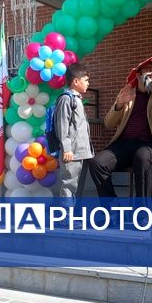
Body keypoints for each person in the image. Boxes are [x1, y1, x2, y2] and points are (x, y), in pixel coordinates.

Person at [89, 56, 152, 198]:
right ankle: (112, 210)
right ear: (138, 75)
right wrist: (119, 104)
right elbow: (108, 124)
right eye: (148, 71)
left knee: (142, 158)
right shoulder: (127, 94)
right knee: (97, 163)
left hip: (148, 145)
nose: (151, 75)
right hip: (123, 144)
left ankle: (143, 214)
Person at [55, 63, 95, 206]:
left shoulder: (77, 99)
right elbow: (62, 125)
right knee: (69, 185)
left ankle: (72, 213)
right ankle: (65, 217)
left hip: (81, 151)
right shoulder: (66, 99)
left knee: (75, 186)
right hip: (71, 152)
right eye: (86, 80)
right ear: (76, 81)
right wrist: (67, 149)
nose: (88, 83)